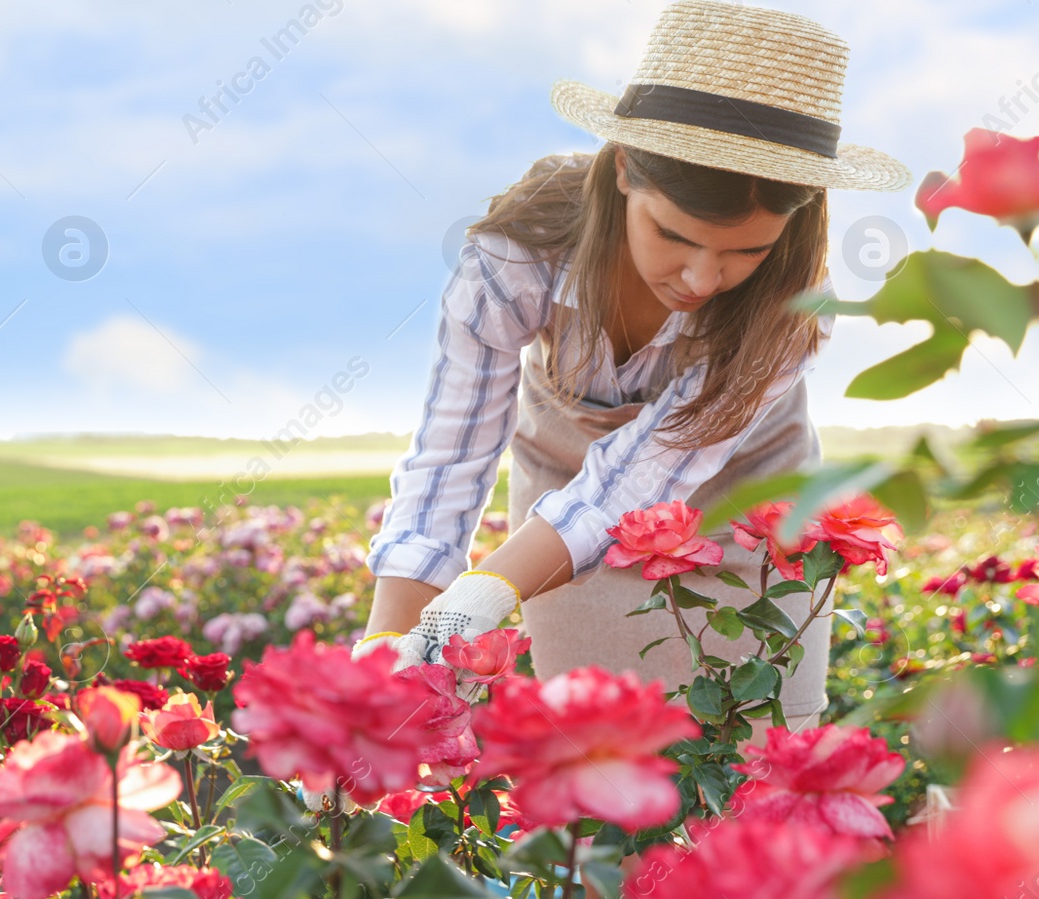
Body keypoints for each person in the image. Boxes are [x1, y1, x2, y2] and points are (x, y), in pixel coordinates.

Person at [354, 0, 912, 755]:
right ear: (623, 168)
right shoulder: (515, 260)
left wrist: (484, 591)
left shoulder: (790, 310)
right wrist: (391, 639)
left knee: (750, 763)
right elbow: (450, 456)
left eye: (743, 252)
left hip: (746, 524)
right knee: (588, 763)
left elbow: (641, 476)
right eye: (673, 235)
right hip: (559, 526)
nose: (702, 277)